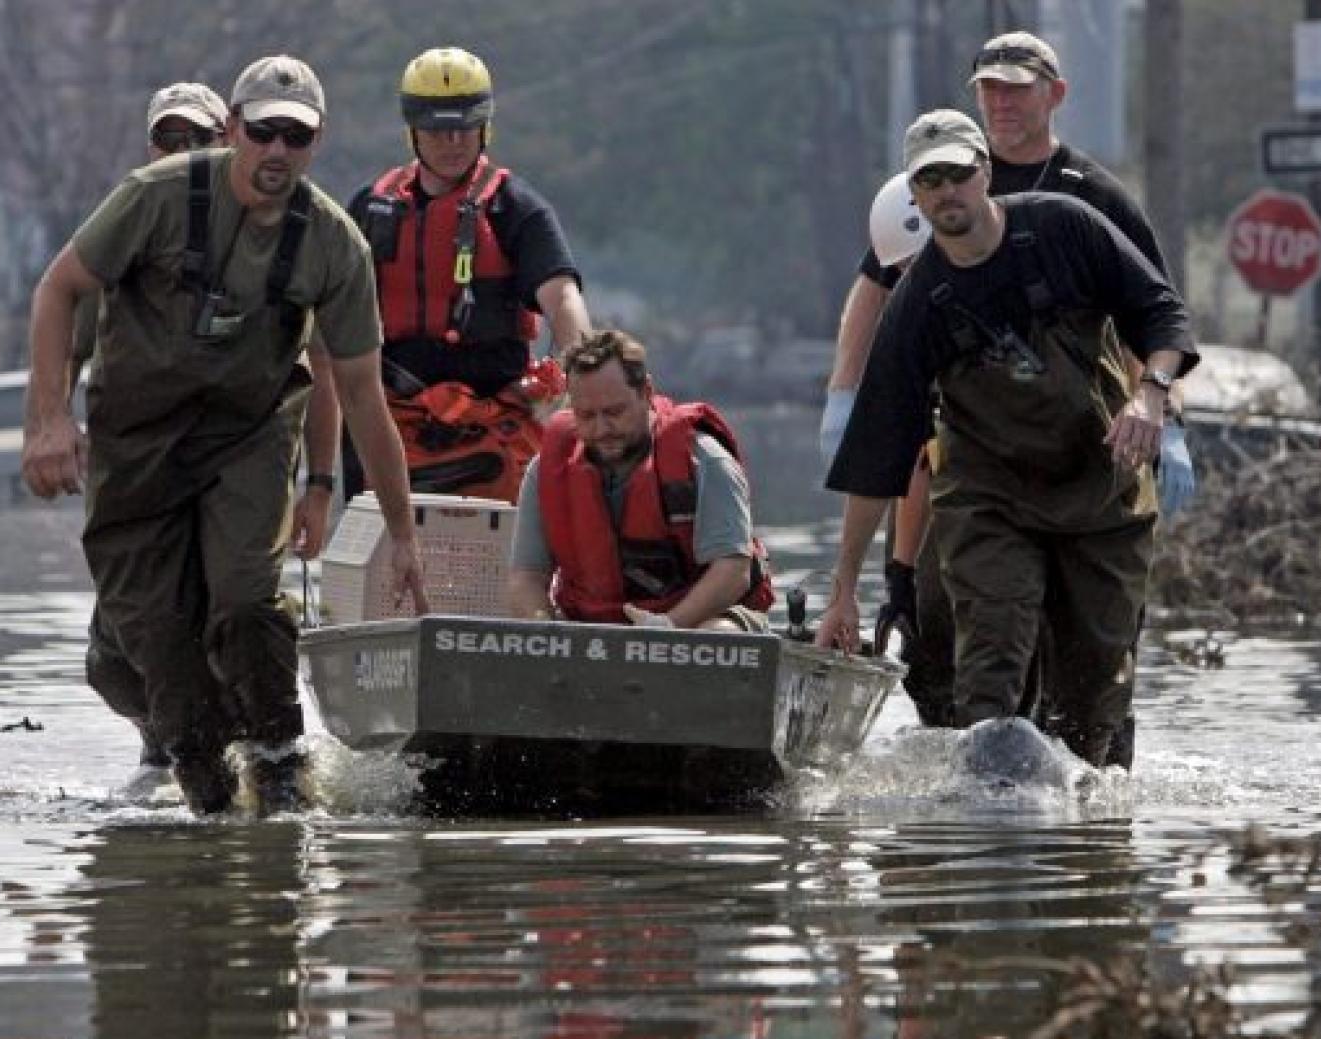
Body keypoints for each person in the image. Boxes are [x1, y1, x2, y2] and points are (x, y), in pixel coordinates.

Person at [21, 54, 428, 815]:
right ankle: (204, 782)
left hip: (247, 436)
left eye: (295, 138)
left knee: (244, 600)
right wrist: (47, 420)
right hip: (137, 442)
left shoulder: (334, 245)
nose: (277, 152)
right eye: (264, 132)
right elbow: (59, 289)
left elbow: (363, 393)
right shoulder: (154, 198)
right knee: (159, 638)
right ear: (235, 129)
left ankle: (280, 762)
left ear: (316, 143)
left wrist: (395, 528)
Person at [822, 31, 1195, 754]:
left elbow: (1162, 313)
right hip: (990, 496)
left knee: (1093, 705)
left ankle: (1087, 843)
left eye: (957, 176)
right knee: (988, 682)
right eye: (928, 183)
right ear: (914, 194)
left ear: (983, 173)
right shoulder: (919, 300)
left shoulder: (1073, 221)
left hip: (1100, 488)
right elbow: (880, 458)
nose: (945, 194)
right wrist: (847, 586)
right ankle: (986, 842)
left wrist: (1154, 401)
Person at [342, 46, 590, 504]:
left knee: (499, 552)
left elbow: (563, 299)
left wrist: (580, 383)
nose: (452, 142)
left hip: (494, 419)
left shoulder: (517, 208)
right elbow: (327, 316)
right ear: (413, 130)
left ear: (484, 127)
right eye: (438, 129)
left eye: (464, 127)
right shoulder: (369, 208)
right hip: (392, 418)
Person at [71, 80, 230, 772]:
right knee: (112, 656)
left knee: (229, 612)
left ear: (226, 142)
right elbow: (68, 321)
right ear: (151, 146)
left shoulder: (260, 225)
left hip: (225, 457)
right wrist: (50, 420)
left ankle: (224, 744)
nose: (184, 153)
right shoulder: (124, 223)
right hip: (135, 459)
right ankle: (156, 726)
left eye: (199, 140)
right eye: (171, 140)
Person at [506, 330, 773, 631]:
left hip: (697, 621)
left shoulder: (706, 461)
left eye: (614, 412)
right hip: (590, 628)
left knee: (718, 634)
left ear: (646, 393)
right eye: (587, 416)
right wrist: (545, 629)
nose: (602, 429)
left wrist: (667, 626)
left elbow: (732, 572)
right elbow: (526, 576)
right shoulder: (545, 471)